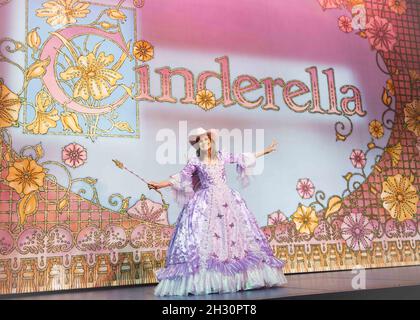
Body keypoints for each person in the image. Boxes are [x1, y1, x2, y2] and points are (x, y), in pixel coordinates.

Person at [148, 127, 287, 296]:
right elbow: (180, 177)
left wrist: (266, 150)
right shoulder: (195, 161)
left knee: (235, 235)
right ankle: (208, 280)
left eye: (207, 140)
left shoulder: (221, 155)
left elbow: (242, 157)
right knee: (206, 238)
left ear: (210, 142)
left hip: (227, 199)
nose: (205, 143)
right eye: (201, 141)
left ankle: (243, 278)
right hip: (205, 202)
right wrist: (159, 184)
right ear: (198, 144)